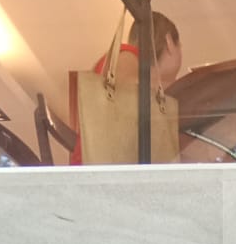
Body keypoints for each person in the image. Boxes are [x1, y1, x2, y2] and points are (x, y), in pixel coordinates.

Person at [70, 11, 183, 165]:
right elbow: (133, 91)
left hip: (108, 171)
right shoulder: (126, 55)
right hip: (97, 173)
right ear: (169, 42)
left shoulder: (125, 59)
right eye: (179, 46)